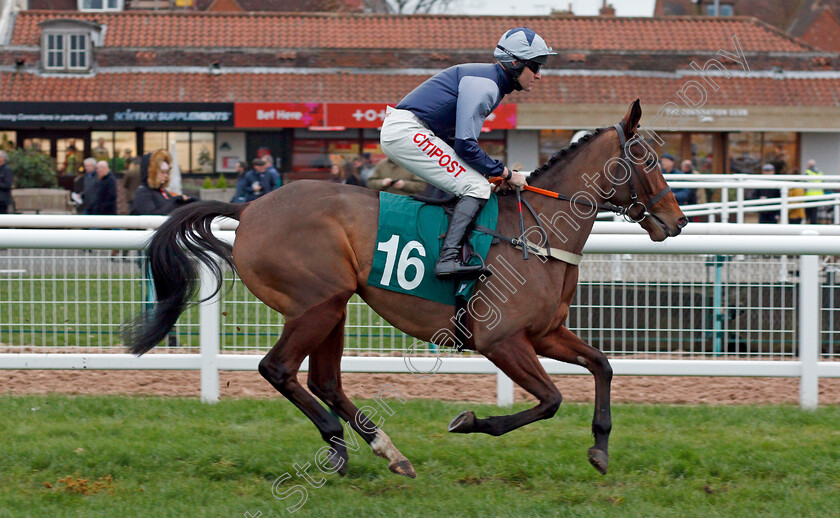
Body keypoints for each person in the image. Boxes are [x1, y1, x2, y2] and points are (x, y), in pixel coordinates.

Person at [380, 27, 550, 278]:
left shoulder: (490, 82)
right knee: (476, 188)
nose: (538, 75)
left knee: (475, 183)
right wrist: (505, 173)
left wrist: (491, 174)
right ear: (514, 63)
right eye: (535, 66)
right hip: (407, 130)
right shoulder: (486, 86)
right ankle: (447, 259)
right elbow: (465, 145)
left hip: (412, 130)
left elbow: (458, 144)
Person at [131, 149, 196, 215]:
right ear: (152, 172)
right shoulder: (143, 192)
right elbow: (151, 217)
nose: (166, 175)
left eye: (167, 172)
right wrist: (174, 202)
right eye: (162, 172)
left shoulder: (161, 191)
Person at [804, 159, 824, 224]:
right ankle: (813, 225)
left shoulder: (807, 173)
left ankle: (808, 225)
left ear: (809, 165)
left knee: (807, 214)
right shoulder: (820, 173)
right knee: (814, 214)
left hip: (808, 196)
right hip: (818, 197)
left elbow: (804, 185)